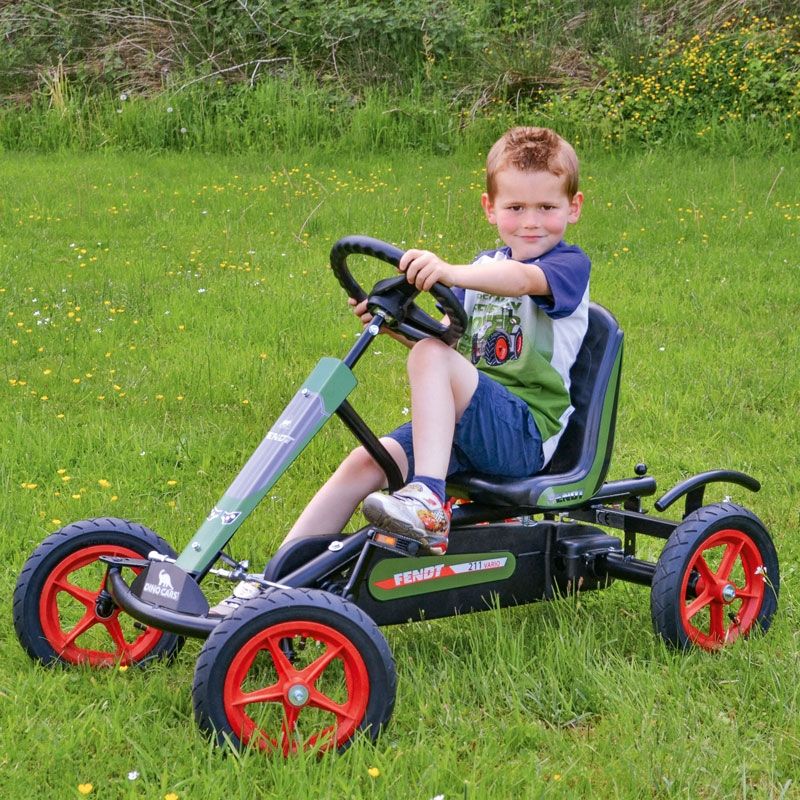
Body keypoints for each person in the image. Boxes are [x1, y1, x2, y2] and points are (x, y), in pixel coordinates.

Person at [209, 126, 590, 616]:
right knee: (365, 462)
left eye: (546, 207)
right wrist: (394, 326)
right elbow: (450, 346)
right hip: (470, 426)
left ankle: (427, 502)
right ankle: (271, 587)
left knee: (429, 356)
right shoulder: (483, 267)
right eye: (515, 207)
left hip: (524, 437)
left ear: (573, 208)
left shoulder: (566, 267)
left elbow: (520, 280)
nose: (531, 222)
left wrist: (449, 272)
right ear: (490, 209)